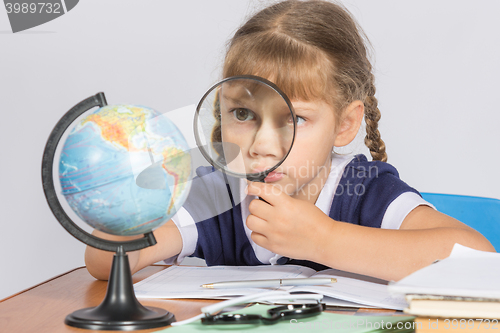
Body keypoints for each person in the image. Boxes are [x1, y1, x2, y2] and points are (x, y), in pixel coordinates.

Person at [85, 0, 494, 282]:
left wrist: (325, 240)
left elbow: (477, 258)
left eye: (294, 118)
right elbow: (107, 263)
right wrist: (123, 202)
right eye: (243, 114)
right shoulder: (216, 195)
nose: (263, 144)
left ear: (345, 124)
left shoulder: (364, 191)